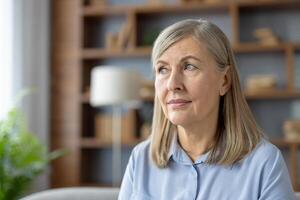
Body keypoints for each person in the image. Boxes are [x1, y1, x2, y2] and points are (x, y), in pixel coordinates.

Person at [118, 19, 295, 200]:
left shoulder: (264, 163)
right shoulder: (140, 159)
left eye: (189, 66)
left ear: (224, 81)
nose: (172, 84)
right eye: (163, 69)